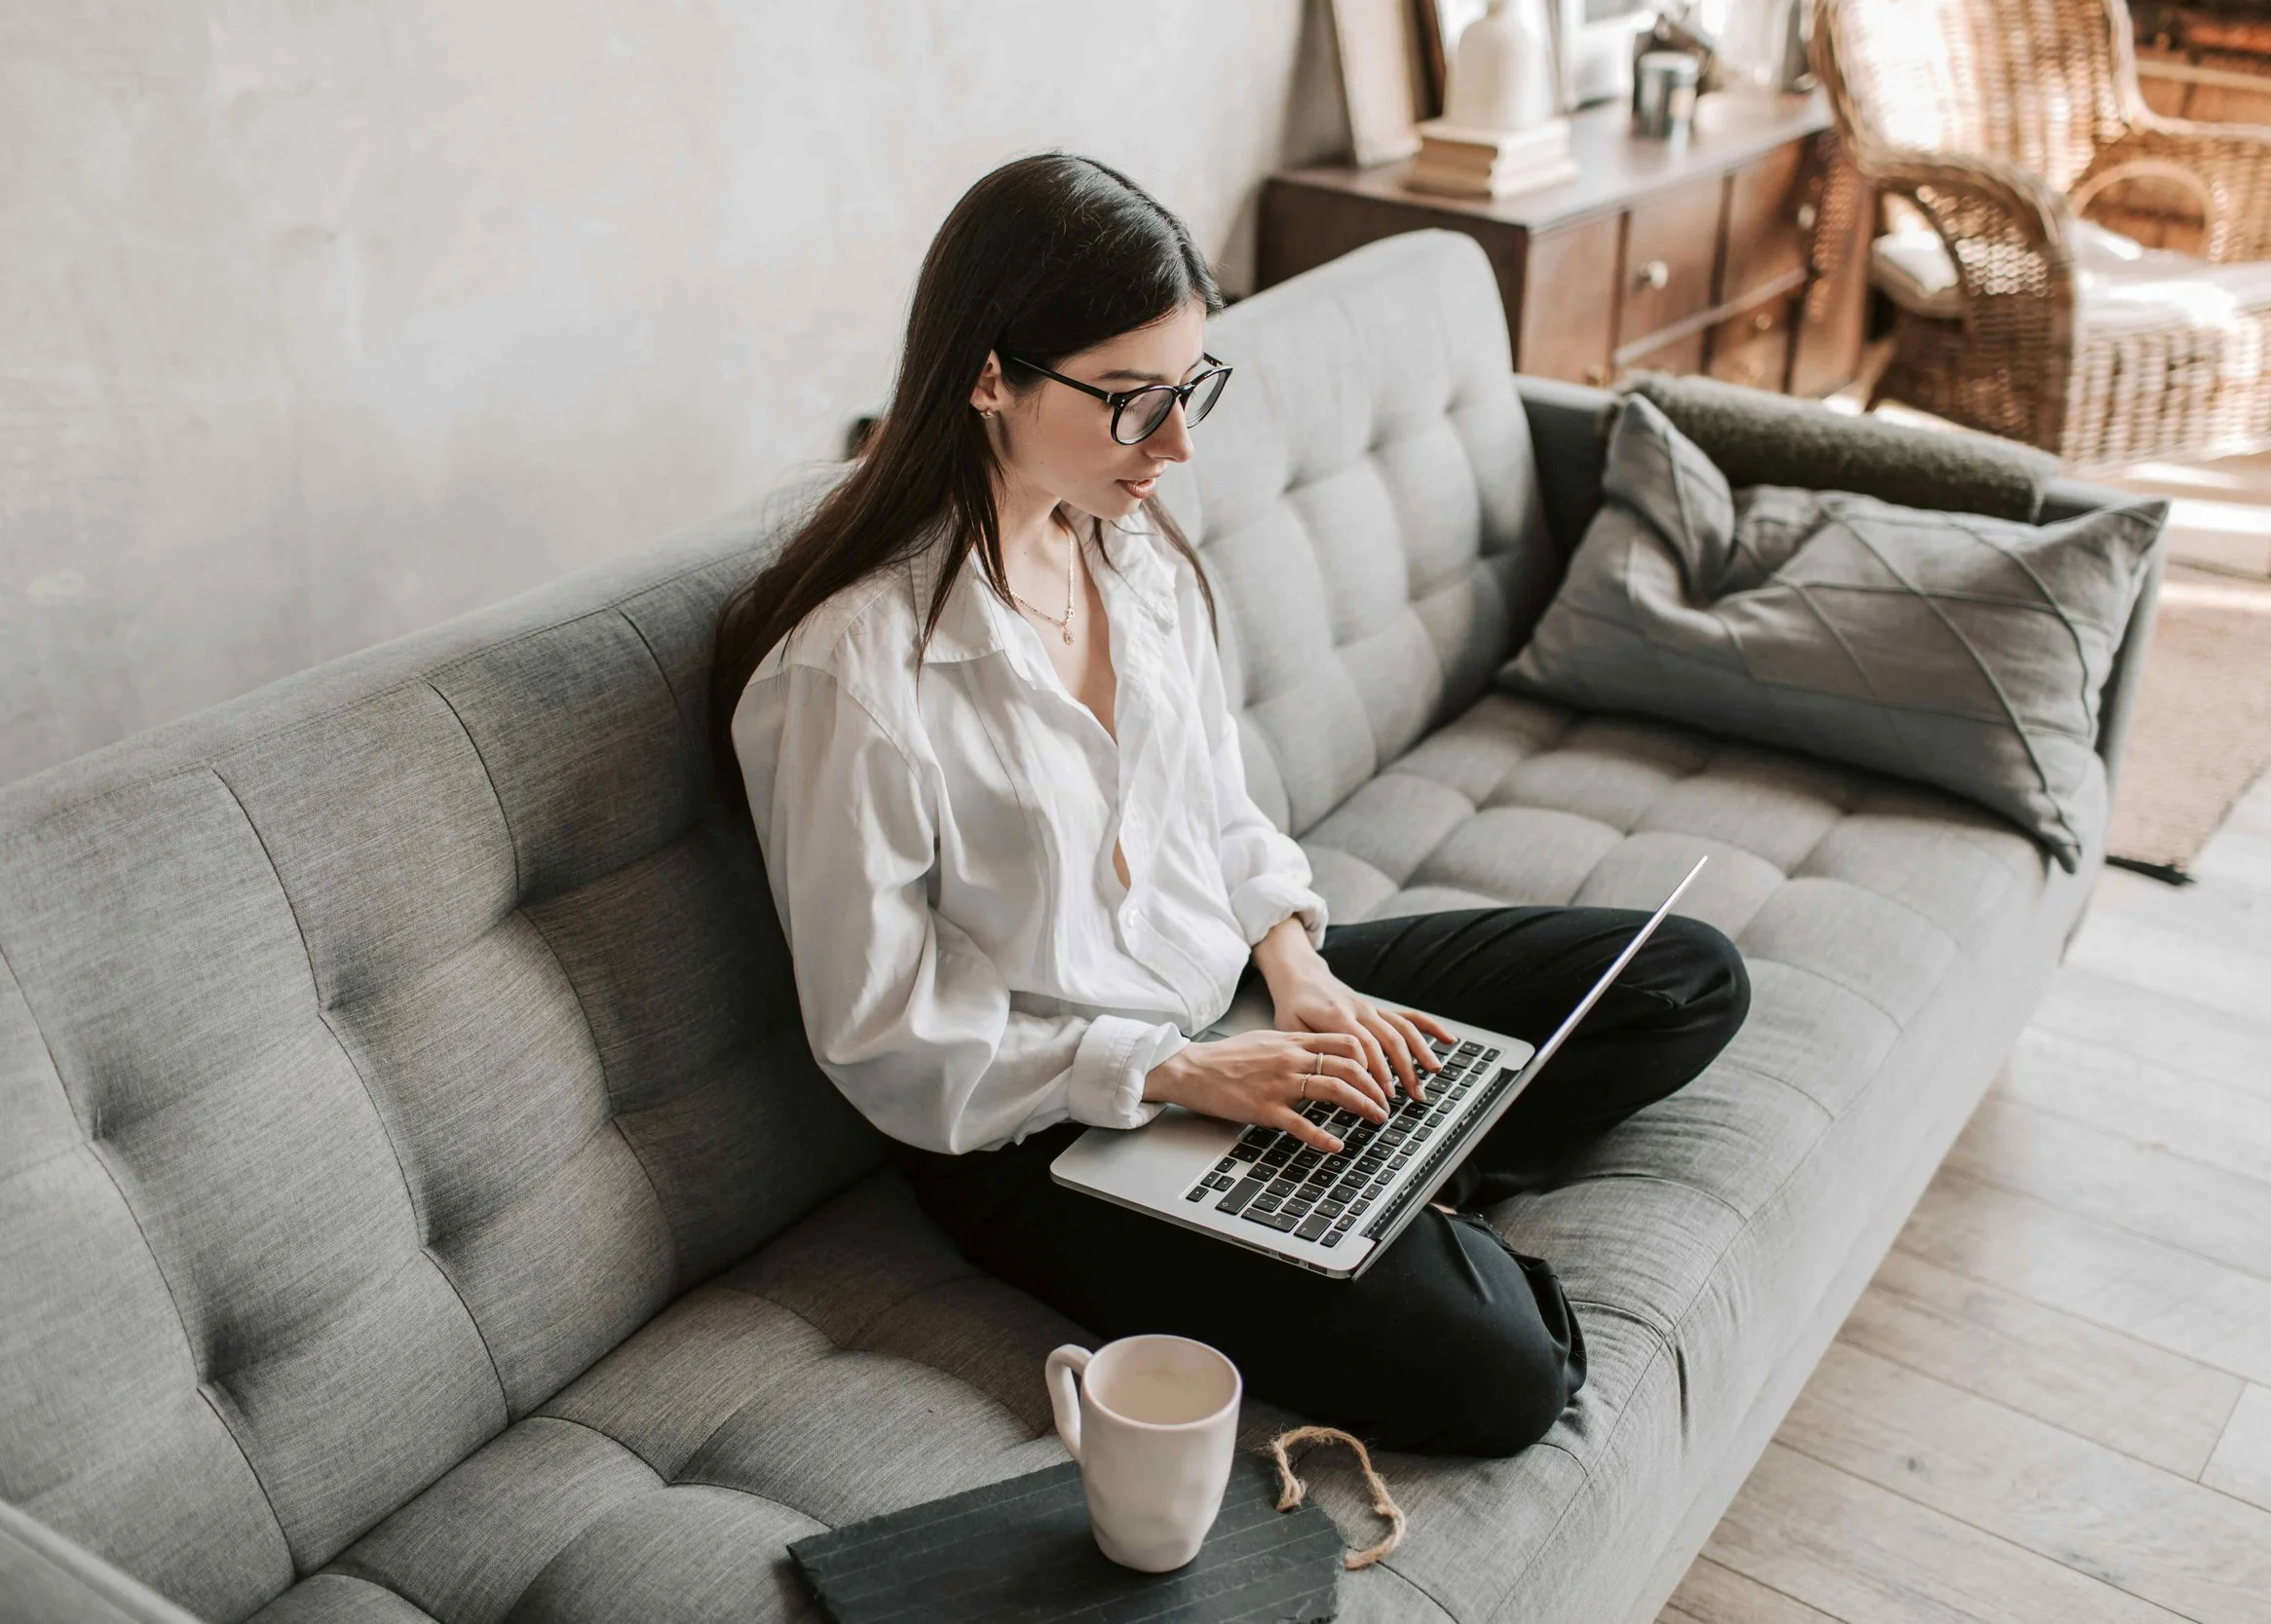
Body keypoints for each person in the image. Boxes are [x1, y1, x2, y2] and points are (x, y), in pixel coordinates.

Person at [710, 153, 1750, 1458]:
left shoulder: (1122, 544)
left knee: (1685, 979)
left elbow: (1218, 804)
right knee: (1507, 1377)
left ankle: (1370, 1165)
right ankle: (1383, 1186)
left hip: (1234, 1004)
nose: (1181, 444)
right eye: (1136, 401)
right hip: (1047, 1125)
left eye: (1189, 388)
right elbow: (885, 1035)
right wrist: (1186, 1074)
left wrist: (1302, 972)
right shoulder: (850, 675)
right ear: (990, 376)